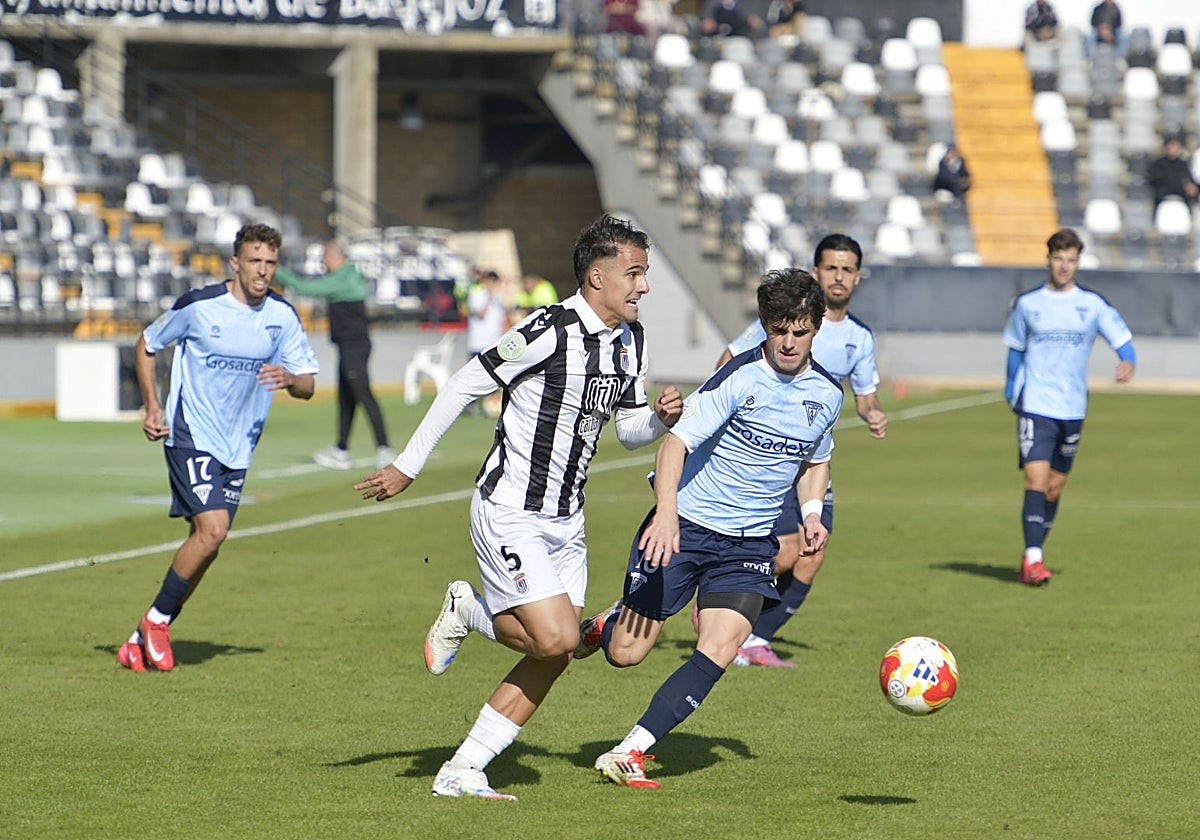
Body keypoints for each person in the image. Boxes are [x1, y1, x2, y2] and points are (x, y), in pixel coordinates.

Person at [354, 215, 683, 800]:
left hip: (568, 522)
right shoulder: (547, 329)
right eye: (635, 274)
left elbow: (629, 429)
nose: (644, 286)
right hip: (509, 509)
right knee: (557, 640)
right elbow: (462, 384)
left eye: (645, 275)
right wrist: (408, 465)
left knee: (554, 656)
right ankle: (470, 611)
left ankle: (461, 769)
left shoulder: (631, 340)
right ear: (597, 275)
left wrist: (659, 417)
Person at [574, 268, 843, 788]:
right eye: (778, 329)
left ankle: (631, 750)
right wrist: (667, 514)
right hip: (686, 527)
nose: (788, 342)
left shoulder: (826, 395)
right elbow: (674, 444)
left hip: (747, 544)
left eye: (800, 331)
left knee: (720, 646)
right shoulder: (739, 377)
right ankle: (608, 624)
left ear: (815, 329)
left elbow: (815, 461)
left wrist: (811, 515)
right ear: (766, 326)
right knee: (626, 654)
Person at [116, 223, 319, 672]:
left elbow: (306, 383)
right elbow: (147, 344)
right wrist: (152, 406)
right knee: (212, 532)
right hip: (191, 433)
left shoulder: (282, 316)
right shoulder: (200, 306)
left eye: (270, 263)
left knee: (208, 543)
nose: (262, 271)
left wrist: (288, 379)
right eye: (254, 262)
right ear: (236, 263)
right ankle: (158, 621)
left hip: (238, 446)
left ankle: (139, 638)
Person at [715, 234, 886, 667]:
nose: (839, 276)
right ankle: (715, 598)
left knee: (812, 554)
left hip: (809, 458)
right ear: (816, 272)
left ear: (858, 277)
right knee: (787, 550)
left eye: (847, 269)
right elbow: (729, 359)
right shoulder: (790, 319)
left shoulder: (859, 337)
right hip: (763, 456)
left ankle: (753, 637)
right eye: (831, 268)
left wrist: (873, 414)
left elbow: (864, 394)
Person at [1003, 228, 1136, 586]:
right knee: (1036, 478)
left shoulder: (1091, 305)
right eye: (1058, 258)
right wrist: (1010, 391)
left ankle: (1033, 554)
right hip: (1036, 404)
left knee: (1054, 488)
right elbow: (1015, 350)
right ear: (1048, 259)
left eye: (1071, 259)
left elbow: (1122, 339)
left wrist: (1127, 361)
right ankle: (1034, 559)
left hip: (1073, 407)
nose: (1064, 266)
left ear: (1079, 261)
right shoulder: (1028, 304)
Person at [274, 239, 395, 471]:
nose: (323, 263)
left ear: (335, 257)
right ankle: (341, 449)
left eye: (325, 258)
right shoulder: (349, 276)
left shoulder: (344, 278)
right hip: (348, 345)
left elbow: (307, 288)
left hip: (354, 345)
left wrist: (277, 270)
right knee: (346, 399)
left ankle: (384, 448)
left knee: (363, 394)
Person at [465, 269, 508, 416]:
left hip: (494, 343)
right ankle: (470, 405)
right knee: (474, 378)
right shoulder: (477, 295)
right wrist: (489, 297)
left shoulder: (499, 299)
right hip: (478, 342)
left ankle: (490, 405)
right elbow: (481, 314)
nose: (492, 285)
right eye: (490, 282)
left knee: (495, 379)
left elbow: (502, 320)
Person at [1146, 136, 1200, 208]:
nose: (1174, 149)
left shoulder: (1183, 165)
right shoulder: (1158, 164)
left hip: (1182, 202)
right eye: (1171, 145)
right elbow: (1153, 179)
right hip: (1163, 201)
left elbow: (1189, 183)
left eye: (1176, 146)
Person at [700, 0, 764, 39]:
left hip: (739, 38)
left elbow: (754, 21)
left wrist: (751, 21)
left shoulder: (744, 4)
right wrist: (708, 21)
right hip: (716, 37)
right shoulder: (712, 3)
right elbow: (707, 24)